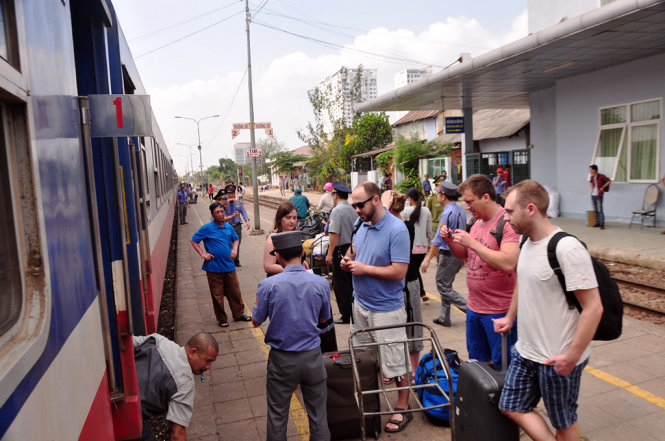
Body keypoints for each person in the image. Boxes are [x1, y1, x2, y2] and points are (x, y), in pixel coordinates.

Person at [494, 180, 603, 441]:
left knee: (563, 423)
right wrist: (510, 317)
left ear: (530, 209)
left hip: (556, 358)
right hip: (526, 351)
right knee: (510, 405)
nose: (505, 218)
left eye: (509, 211)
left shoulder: (567, 248)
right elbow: (523, 279)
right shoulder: (525, 242)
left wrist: (572, 356)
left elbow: (594, 307)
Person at [341, 181, 412, 433]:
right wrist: (349, 260)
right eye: (354, 205)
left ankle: (403, 406)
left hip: (386, 309)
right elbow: (354, 250)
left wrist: (363, 268)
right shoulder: (361, 224)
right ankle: (372, 404)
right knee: (365, 361)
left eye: (360, 204)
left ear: (375, 200)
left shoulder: (397, 229)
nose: (357, 209)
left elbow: (399, 271)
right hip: (361, 306)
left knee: (396, 361)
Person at [252, 231, 331, 441]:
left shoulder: (267, 286)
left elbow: (256, 321)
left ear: (278, 256)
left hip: (281, 361)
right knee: (318, 416)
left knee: (277, 416)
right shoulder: (321, 284)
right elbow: (324, 320)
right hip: (313, 357)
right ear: (302, 254)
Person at [440, 174, 520, 366]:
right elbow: (465, 256)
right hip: (474, 309)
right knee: (478, 366)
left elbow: (508, 262)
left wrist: (472, 243)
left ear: (486, 197)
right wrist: (450, 241)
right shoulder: (474, 222)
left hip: (499, 312)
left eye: (469, 201)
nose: (466, 207)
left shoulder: (506, 223)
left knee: (502, 368)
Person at [133, 332, 219, 441]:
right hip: (128, 418)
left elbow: (125, 343)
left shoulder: (159, 340)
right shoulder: (185, 382)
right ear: (193, 352)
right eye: (208, 361)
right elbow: (177, 434)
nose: (208, 367)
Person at [383, 190, 424, 381]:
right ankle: (394, 369)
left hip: (408, 283)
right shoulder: (394, 224)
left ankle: (413, 371)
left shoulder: (404, 227)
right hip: (394, 284)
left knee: (412, 327)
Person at [190, 202, 252, 328]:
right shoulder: (207, 228)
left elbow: (235, 238)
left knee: (234, 291)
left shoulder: (228, 227)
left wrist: (234, 249)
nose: (220, 214)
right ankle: (222, 318)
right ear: (212, 214)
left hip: (229, 266)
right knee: (217, 294)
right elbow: (193, 240)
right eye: (217, 212)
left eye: (222, 211)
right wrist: (203, 254)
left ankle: (238, 314)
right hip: (213, 267)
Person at [420, 181, 467, 327]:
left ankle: (470, 310)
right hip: (458, 254)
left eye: (438, 194)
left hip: (448, 254)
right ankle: (444, 317)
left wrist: (427, 259)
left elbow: (437, 240)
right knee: (446, 284)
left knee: (442, 286)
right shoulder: (461, 211)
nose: (437, 196)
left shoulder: (446, 214)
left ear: (443, 196)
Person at [324, 181, 358, 324]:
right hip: (353, 249)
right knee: (351, 283)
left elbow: (334, 234)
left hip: (341, 251)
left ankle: (346, 315)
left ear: (335, 195)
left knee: (340, 284)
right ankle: (354, 312)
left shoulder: (337, 211)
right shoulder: (352, 209)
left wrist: (329, 254)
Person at [403, 188, 433, 302]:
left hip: (410, 247)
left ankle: (418, 293)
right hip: (423, 248)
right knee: (415, 270)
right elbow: (429, 231)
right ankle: (421, 293)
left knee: (413, 272)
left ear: (410, 199)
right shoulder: (426, 211)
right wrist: (430, 244)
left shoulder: (405, 211)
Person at [264, 201, 307, 276]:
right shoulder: (273, 238)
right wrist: (296, 269)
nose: (292, 221)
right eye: (288, 217)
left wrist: (302, 262)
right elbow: (268, 267)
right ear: (280, 218)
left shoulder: (294, 234)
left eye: (294, 218)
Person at [223, 184, 251, 268]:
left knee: (237, 244)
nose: (230, 195)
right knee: (229, 245)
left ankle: (236, 261)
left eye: (232, 193)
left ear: (234, 194)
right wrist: (224, 204)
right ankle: (230, 260)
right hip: (228, 227)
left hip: (238, 226)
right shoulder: (224, 204)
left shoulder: (239, 203)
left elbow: (244, 212)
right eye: (229, 193)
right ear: (227, 194)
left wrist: (247, 221)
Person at [589, 164, 611, 230]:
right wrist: (592, 188)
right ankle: (598, 223)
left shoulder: (601, 176)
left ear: (594, 170)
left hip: (599, 195)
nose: (590, 171)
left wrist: (603, 187)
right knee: (595, 210)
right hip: (593, 195)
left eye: (590, 169)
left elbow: (609, 181)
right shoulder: (592, 177)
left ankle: (602, 224)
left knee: (600, 210)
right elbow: (590, 182)